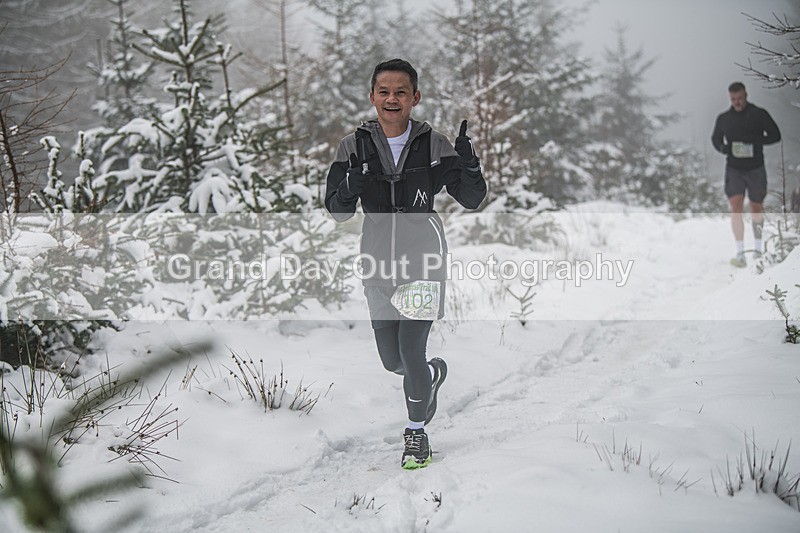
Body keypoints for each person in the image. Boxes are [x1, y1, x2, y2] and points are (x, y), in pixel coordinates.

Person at [324, 59, 486, 469]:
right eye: (384, 91)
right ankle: (430, 377)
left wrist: (469, 163)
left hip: (422, 260)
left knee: (411, 351)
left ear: (415, 98)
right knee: (392, 360)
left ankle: (416, 433)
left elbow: (470, 198)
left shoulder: (434, 144)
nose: (391, 98)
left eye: (401, 92)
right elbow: (337, 210)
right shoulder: (352, 146)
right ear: (372, 97)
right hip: (377, 262)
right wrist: (348, 188)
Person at [711, 81, 781, 267]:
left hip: (756, 167)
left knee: (756, 207)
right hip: (734, 168)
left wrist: (756, 141)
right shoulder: (724, 118)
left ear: (746, 95)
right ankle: (740, 252)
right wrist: (724, 148)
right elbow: (715, 139)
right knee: (736, 207)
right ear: (730, 98)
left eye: (740, 98)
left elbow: (775, 135)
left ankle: (758, 250)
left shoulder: (759, 114)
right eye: (733, 99)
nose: (737, 102)